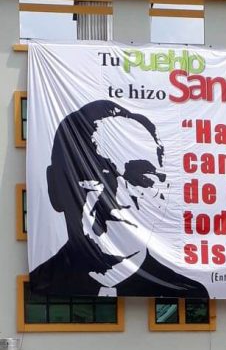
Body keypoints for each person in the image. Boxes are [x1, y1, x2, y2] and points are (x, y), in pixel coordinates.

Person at [30, 100, 208, 298]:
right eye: (98, 175)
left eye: (141, 178)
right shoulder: (36, 288)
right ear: (56, 187)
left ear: (164, 195)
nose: (119, 198)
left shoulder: (189, 295)